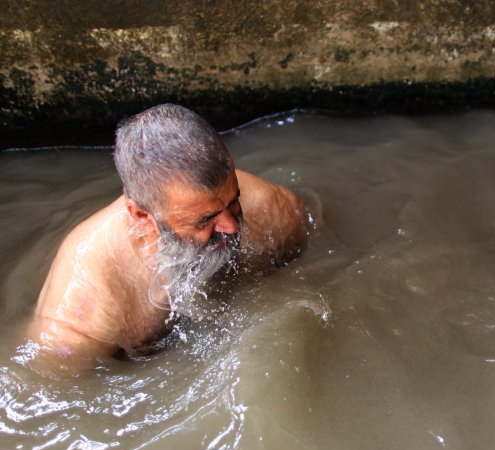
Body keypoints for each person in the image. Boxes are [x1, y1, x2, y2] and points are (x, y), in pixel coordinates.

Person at [28, 104, 308, 369]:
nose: (232, 226)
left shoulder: (271, 210)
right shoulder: (83, 312)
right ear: (141, 217)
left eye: (234, 201)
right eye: (206, 219)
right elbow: (59, 388)